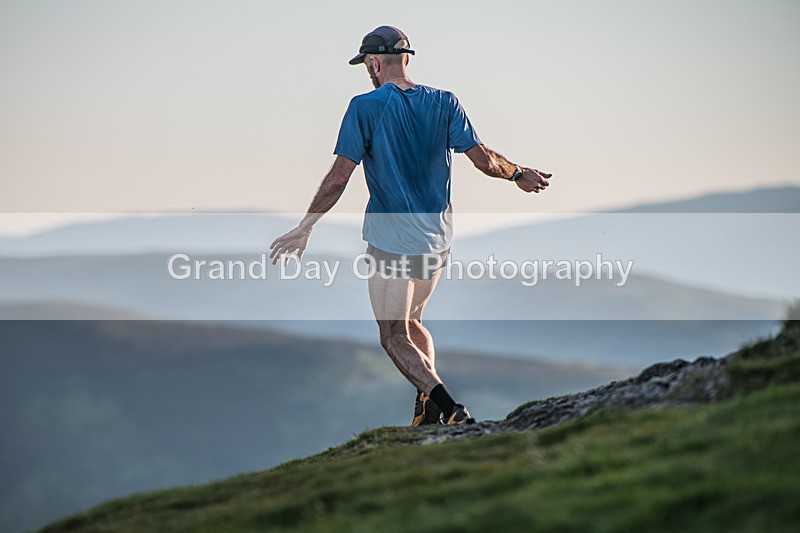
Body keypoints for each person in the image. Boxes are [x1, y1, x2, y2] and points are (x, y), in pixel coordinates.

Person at [269, 25, 552, 426]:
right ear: (407, 58)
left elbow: (337, 178)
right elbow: (486, 160)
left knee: (392, 334)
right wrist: (519, 173)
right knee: (414, 321)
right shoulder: (444, 102)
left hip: (392, 241)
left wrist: (305, 227)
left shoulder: (364, 106)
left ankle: (450, 407)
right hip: (437, 240)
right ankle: (429, 407)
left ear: (373, 63)